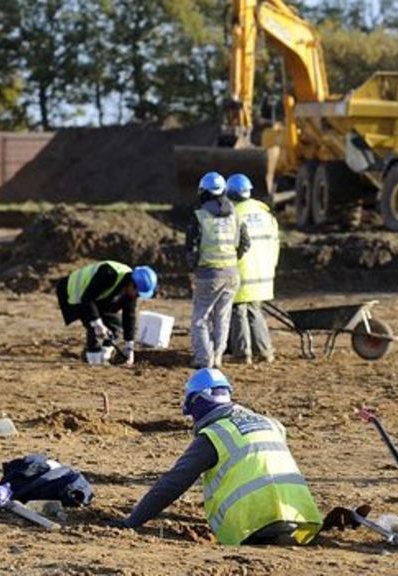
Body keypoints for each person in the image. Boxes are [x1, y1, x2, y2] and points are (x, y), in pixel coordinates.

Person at [114, 368, 323, 545]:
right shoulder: (272, 423)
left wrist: (131, 522)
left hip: (251, 523)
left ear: (196, 404)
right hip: (299, 519)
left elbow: (172, 483)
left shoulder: (215, 435)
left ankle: (268, 532)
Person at [186, 172, 250, 369]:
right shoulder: (235, 215)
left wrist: (193, 267)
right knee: (222, 317)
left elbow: (191, 248)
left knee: (201, 319)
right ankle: (218, 357)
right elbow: (245, 243)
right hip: (231, 273)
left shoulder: (200, 216)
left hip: (208, 274)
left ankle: (204, 360)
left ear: (203, 192)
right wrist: (231, 260)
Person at [55, 261, 157, 366]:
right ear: (132, 284)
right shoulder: (109, 274)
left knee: (114, 325)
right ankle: (93, 359)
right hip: (72, 292)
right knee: (93, 326)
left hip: (95, 298)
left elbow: (129, 315)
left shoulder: (130, 289)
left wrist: (129, 346)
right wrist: (97, 323)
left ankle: (104, 356)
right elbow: (87, 298)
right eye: (138, 293)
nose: (137, 296)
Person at [225, 174, 279, 364]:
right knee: (255, 310)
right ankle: (264, 351)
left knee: (238, 310)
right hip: (264, 273)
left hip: (243, 272)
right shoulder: (265, 214)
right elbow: (275, 244)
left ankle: (242, 354)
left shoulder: (232, 215)